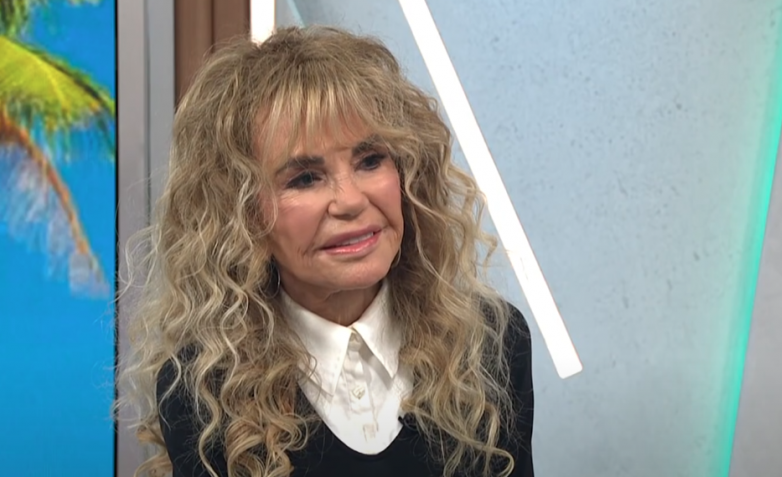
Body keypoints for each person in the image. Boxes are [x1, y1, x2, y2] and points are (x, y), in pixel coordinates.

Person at [117, 26, 534, 477]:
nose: (350, 200)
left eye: (370, 160)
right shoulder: (202, 391)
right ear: (240, 214)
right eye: (305, 178)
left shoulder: (490, 343)